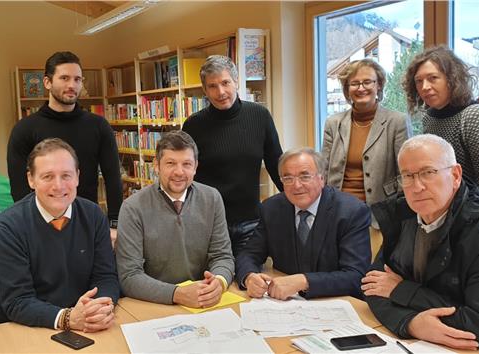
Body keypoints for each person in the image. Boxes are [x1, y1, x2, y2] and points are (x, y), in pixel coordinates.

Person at [363, 134, 479, 353]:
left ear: (455, 175)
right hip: (432, 343)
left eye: (428, 173)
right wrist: (410, 324)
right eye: (407, 175)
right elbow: (373, 286)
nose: (417, 186)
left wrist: (402, 292)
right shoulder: (403, 216)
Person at [0, 138, 119, 333]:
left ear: (77, 177)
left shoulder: (94, 215)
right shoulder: (8, 226)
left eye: (66, 175)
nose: (59, 186)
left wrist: (98, 309)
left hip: (82, 322)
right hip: (21, 329)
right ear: (31, 180)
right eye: (48, 176)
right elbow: (17, 301)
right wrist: (68, 318)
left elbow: (105, 277)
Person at [7, 51, 122, 244]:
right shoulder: (25, 129)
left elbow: (113, 177)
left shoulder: (98, 126)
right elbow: (19, 188)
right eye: (64, 78)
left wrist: (114, 224)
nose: (72, 85)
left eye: (77, 79)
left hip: (87, 223)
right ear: (47, 82)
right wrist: (30, 226)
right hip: (41, 227)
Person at [116, 130, 234, 308]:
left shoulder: (212, 198)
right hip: (155, 304)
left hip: (201, 302)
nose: (179, 172)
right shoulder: (133, 208)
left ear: (195, 167)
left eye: (187, 164)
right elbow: (129, 276)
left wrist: (219, 281)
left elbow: (223, 256)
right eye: (170, 163)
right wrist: (177, 294)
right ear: (156, 165)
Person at [236, 148, 371, 300]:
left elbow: (356, 276)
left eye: (305, 176)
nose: (296, 185)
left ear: (322, 178)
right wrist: (249, 277)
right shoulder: (271, 208)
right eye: (288, 178)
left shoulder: (351, 212)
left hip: (336, 302)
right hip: (284, 305)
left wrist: (304, 281)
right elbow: (248, 254)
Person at [182, 55, 283, 258]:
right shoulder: (193, 125)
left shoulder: (260, 116)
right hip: (209, 223)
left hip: (250, 222)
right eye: (212, 86)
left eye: (225, 83)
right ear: (205, 90)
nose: (220, 92)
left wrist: (296, 205)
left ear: (236, 82)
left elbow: (276, 164)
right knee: (215, 280)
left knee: (249, 278)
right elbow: (184, 174)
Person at [322, 59, 410, 256]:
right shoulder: (333, 123)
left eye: (367, 82)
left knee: (371, 275)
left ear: (378, 85)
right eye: (354, 83)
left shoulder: (397, 121)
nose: (361, 88)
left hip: (379, 215)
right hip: (338, 213)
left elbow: (406, 172)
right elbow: (324, 170)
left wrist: (392, 204)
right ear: (347, 89)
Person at [403, 45, 479, 195]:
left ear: (451, 79)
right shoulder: (429, 117)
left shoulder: (474, 115)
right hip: (438, 210)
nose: (425, 87)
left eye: (433, 78)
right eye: (418, 81)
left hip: (473, 211)